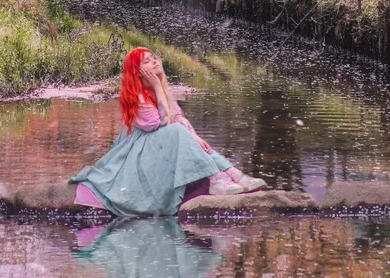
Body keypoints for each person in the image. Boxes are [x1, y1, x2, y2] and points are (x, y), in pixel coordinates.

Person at [71, 47, 267, 218]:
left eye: (154, 57)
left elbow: (178, 116)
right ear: (137, 72)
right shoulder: (136, 96)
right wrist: (156, 87)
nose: (154, 61)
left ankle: (229, 173)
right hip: (141, 149)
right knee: (176, 130)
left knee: (185, 132)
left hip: (161, 140)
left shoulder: (163, 90)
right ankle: (216, 178)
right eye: (146, 61)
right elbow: (161, 123)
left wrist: (196, 138)